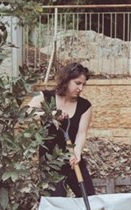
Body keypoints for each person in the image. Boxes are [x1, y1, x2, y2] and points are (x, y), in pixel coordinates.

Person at [27, 62, 96, 197]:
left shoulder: (84, 106)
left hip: (72, 160)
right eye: (77, 83)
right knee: (56, 204)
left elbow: (81, 134)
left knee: (89, 198)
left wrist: (76, 153)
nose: (80, 88)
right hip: (50, 163)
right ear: (66, 80)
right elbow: (25, 115)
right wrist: (49, 115)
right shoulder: (45, 97)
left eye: (83, 84)